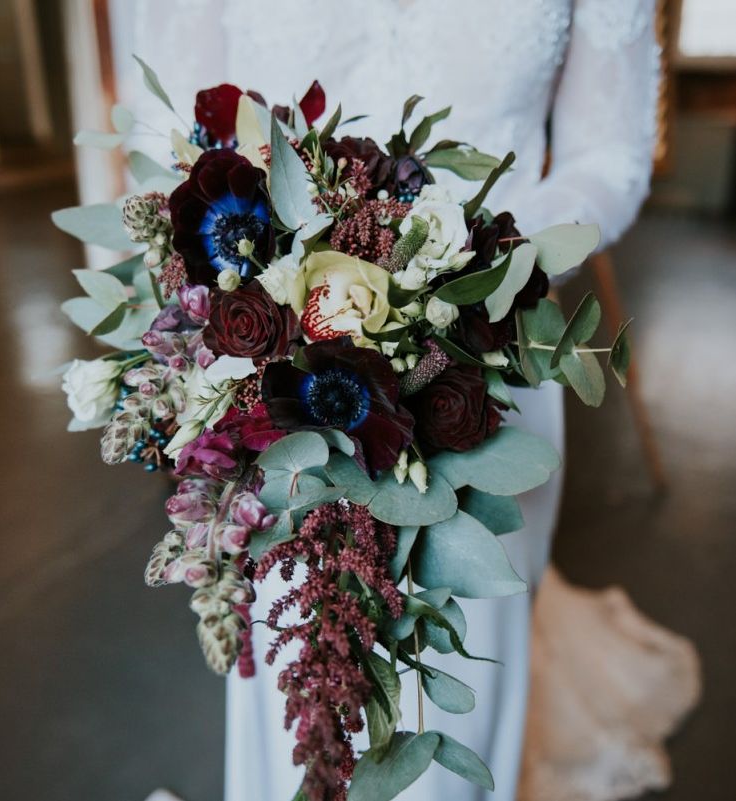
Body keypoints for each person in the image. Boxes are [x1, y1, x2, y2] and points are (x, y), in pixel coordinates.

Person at [109, 1, 699, 799]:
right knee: (295, 658)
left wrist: (463, 273)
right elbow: (172, 128)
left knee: (463, 673)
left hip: (490, 359)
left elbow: (612, 153)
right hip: (280, 369)